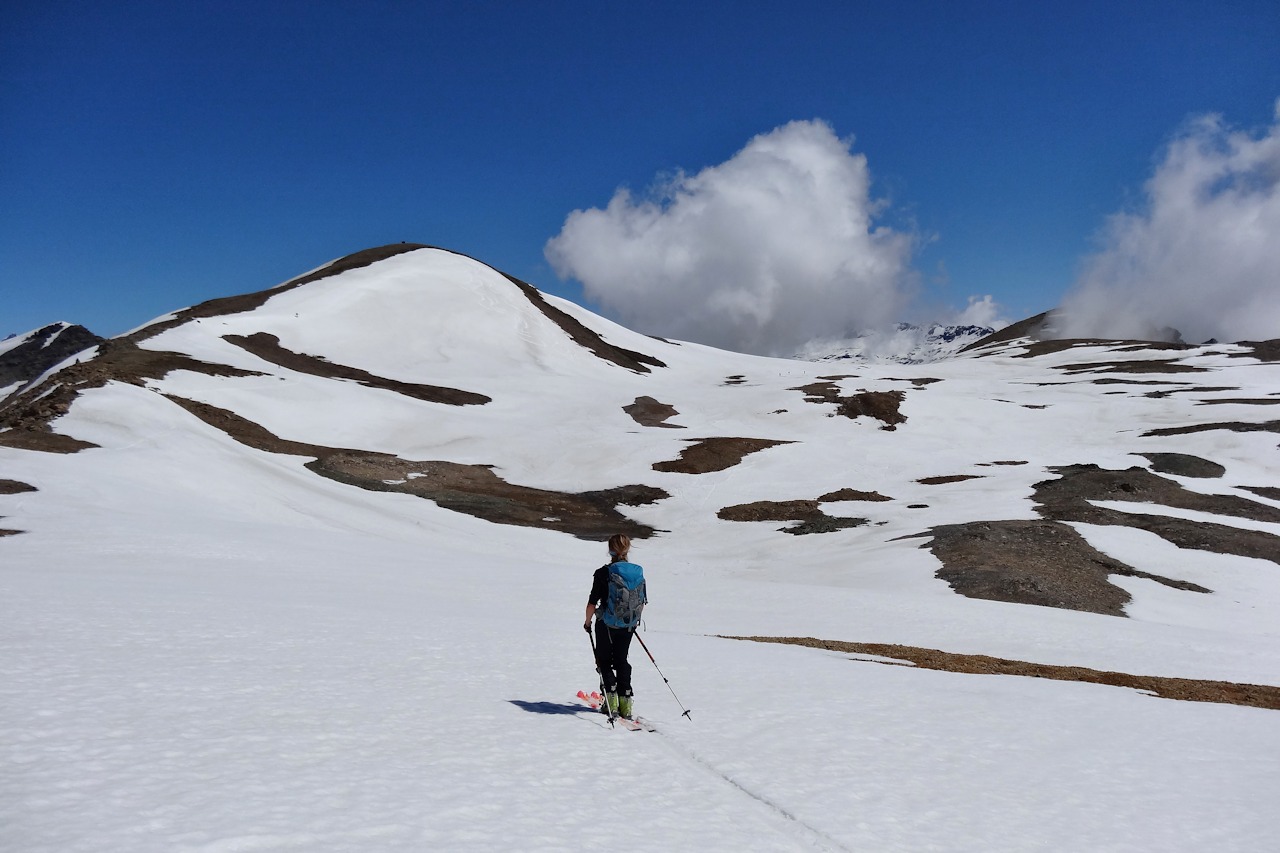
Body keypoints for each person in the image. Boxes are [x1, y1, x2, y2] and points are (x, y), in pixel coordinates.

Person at [583, 533, 647, 719]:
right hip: (628, 623)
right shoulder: (637, 572)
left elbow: (591, 604)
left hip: (606, 624)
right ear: (627, 549)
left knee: (604, 661)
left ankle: (610, 700)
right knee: (621, 660)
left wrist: (588, 623)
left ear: (610, 550)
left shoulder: (603, 573)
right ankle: (626, 702)